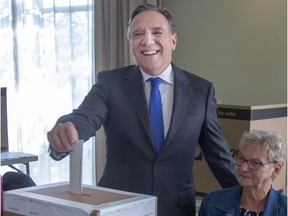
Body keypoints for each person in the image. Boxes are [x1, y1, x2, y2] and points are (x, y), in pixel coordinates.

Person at [47, 3, 238, 216]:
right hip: (119, 206)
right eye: (138, 34)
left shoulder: (201, 91)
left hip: (176, 209)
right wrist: (66, 130)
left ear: (173, 40)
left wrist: (251, 194)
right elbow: (84, 118)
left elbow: (218, 155)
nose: (148, 41)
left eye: (157, 32)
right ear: (130, 44)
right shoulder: (110, 83)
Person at [198, 129, 287, 216]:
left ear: (276, 170)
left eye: (255, 163)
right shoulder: (212, 203)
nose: (243, 168)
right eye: (241, 159)